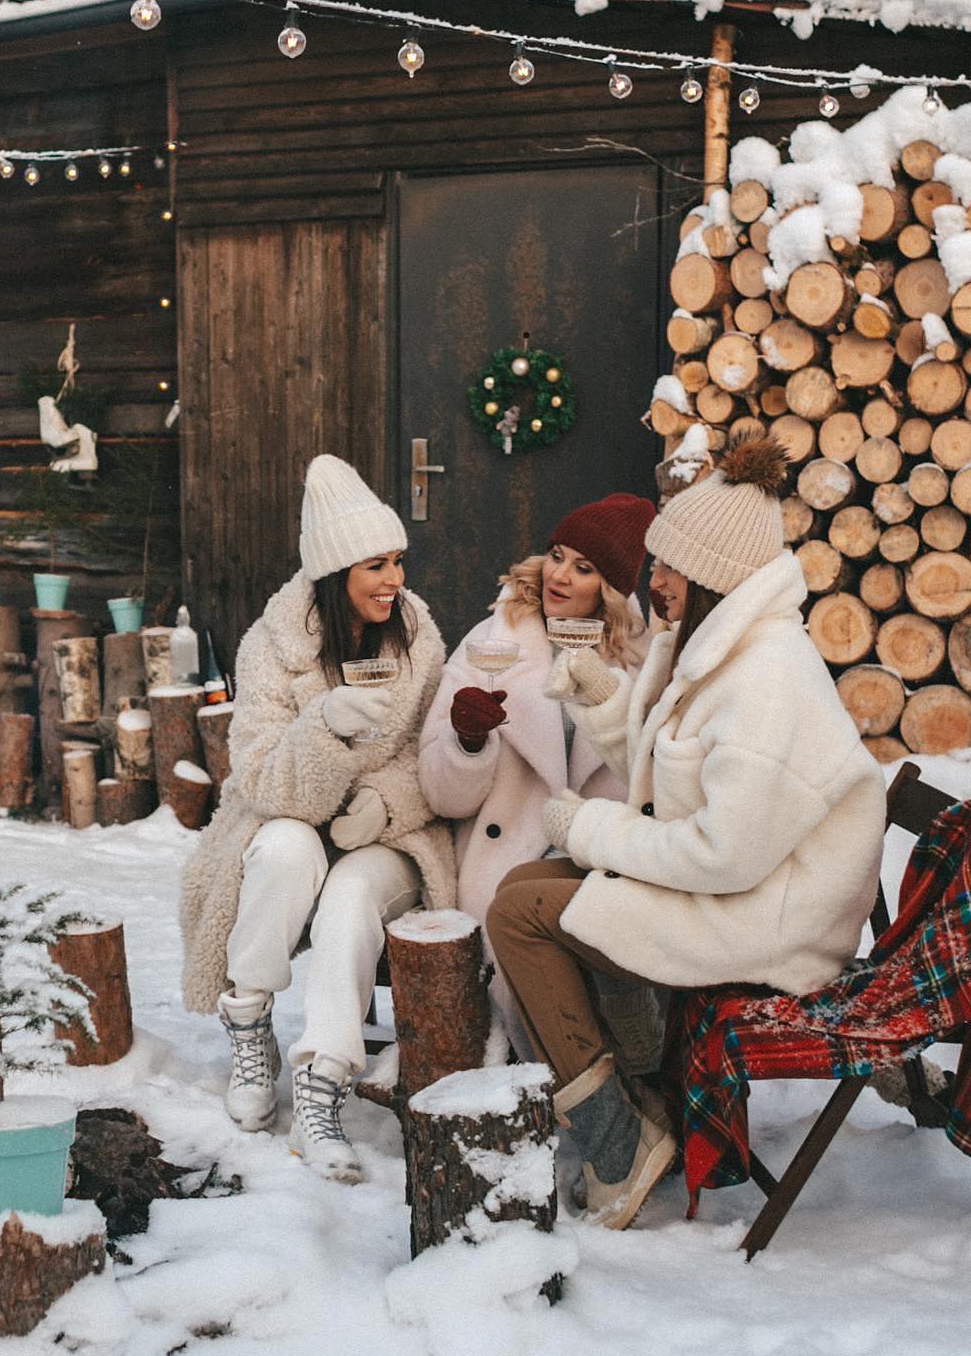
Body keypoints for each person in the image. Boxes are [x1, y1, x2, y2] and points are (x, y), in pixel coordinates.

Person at [486, 434, 887, 1230]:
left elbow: (720, 853)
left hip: (770, 923)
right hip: (741, 892)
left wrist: (591, 829)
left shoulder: (767, 678)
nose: (653, 579)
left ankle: (618, 1138)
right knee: (521, 887)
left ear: (712, 573)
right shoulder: (721, 647)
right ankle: (638, 1097)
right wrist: (604, 699)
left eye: (668, 565)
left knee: (520, 914)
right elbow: (673, 776)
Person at [180, 455, 454, 1183]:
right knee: (282, 848)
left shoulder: (418, 637)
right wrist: (324, 727)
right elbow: (260, 777)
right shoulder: (271, 647)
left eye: (398, 560)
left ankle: (321, 1082)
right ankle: (249, 1024)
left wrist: (386, 802)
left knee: (351, 892)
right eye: (376, 565)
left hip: (386, 834)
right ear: (335, 573)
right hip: (291, 818)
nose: (395, 579)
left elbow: (430, 753)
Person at [416, 494, 656, 1059]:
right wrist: (467, 743)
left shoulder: (639, 660)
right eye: (556, 555)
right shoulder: (490, 644)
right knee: (519, 920)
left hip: (598, 851)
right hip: (506, 855)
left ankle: (620, 1073)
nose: (559, 576)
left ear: (610, 589)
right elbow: (441, 794)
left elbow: (652, 781)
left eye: (583, 567)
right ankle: (568, 1080)